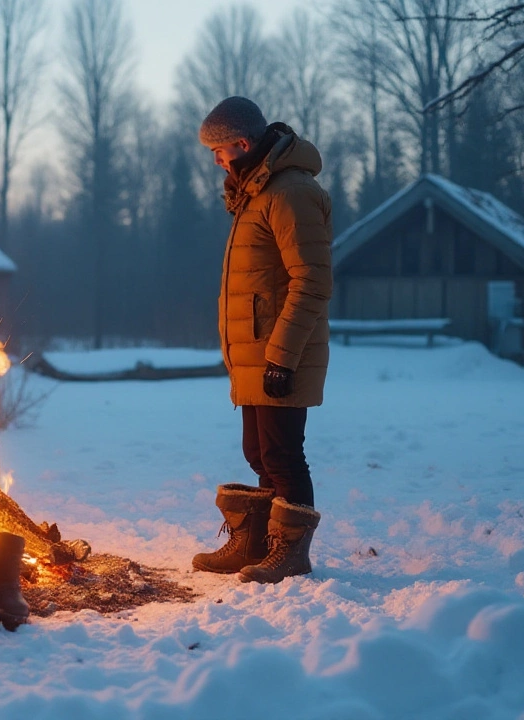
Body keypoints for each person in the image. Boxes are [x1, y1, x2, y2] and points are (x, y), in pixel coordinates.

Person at [190, 96, 332, 584]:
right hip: (257, 352)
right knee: (260, 453)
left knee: (283, 455)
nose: (216, 161)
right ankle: (255, 544)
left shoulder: (288, 193)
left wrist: (282, 357)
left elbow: (311, 279)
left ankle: (289, 553)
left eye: (219, 150)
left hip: (281, 353)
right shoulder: (256, 192)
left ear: (243, 144)